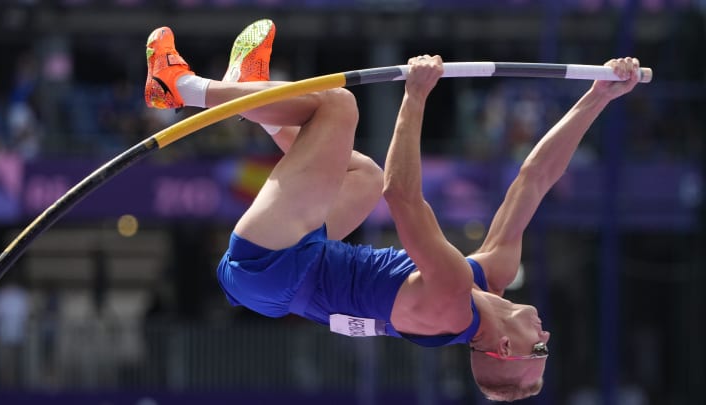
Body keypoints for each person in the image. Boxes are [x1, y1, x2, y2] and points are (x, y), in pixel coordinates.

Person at [143, 19, 641, 401]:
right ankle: (251, 92)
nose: (546, 335)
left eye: (540, 349)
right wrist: (597, 98)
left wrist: (415, 95)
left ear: (503, 349)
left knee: (338, 107)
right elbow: (533, 181)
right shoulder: (492, 275)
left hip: (275, 267)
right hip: (301, 264)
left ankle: (180, 88)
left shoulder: (449, 300)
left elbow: (404, 196)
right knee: (364, 178)